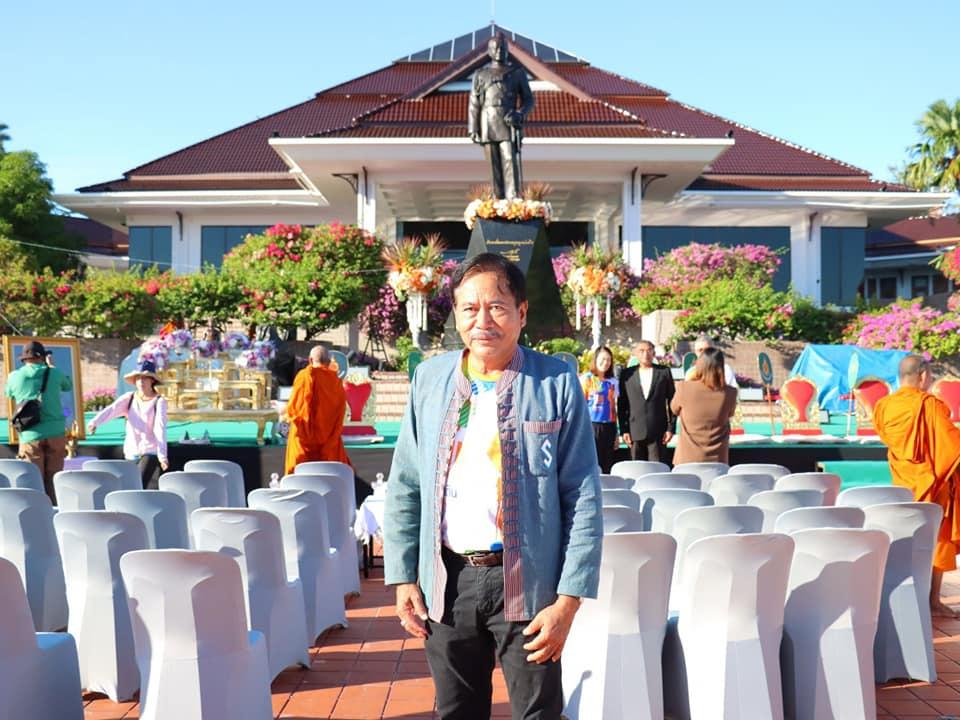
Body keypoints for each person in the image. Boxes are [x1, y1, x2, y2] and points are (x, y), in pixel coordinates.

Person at [384, 253, 602, 720]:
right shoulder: (429, 381)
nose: (482, 321)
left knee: (538, 713)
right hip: (448, 581)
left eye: (497, 307)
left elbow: (582, 495)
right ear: (455, 314)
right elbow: (406, 483)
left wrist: (568, 601)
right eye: (469, 308)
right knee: (456, 711)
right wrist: (403, 576)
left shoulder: (555, 382)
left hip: (529, 583)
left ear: (521, 312)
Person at [873, 354, 960, 617]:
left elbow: (888, 437)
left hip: (902, 482)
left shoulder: (883, 406)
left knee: (908, 539)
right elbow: (952, 446)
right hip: (930, 482)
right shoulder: (929, 405)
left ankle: (906, 596)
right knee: (937, 538)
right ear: (923, 375)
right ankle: (932, 600)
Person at [468, 33, 535, 200]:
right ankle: (496, 200)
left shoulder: (517, 73)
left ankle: (513, 200)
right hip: (487, 121)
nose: (499, 51)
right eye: (496, 48)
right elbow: (474, 103)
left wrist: (520, 113)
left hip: (508, 121)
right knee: (493, 165)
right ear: (489, 51)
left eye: (503, 48)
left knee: (509, 160)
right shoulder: (480, 74)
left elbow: (529, 99)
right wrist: (473, 128)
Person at [4, 340, 72, 502]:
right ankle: (54, 508)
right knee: (54, 478)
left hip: (30, 433)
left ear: (24, 359)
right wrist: (51, 366)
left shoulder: (14, 376)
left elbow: (9, 393)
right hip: (55, 432)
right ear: (43, 357)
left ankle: (37, 509)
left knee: (33, 479)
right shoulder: (54, 373)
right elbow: (67, 386)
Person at [87, 359, 169, 488]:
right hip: (132, 451)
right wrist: (95, 422)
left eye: (145, 378)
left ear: (152, 380)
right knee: (130, 486)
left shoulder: (159, 401)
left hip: (150, 451)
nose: (141, 382)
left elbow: (160, 427)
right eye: (138, 378)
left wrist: (162, 455)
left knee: (139, 483)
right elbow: (111, 410)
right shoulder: (129, 398)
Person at [283, 345, 350, 475]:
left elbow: (294, 410)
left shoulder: (303, 377)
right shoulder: (336, 382)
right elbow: (340, 412)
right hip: (329, 442)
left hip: (303, 442)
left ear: (310, 360)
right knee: (330, 477)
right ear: (329, 362)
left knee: (298, 478)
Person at [670, 348, 739, 465]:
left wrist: (690, 379)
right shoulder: (730, 392)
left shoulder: (684, 388)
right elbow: (730, 414)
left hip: (687, 459)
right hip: (718, 460)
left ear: (699, 365)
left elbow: (674, 409)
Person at [618, 339, 676, 463]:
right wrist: (624, 430)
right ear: (635, 353)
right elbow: (622, 404)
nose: (646, 354)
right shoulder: (627, 374)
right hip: (634, 432)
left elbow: (672, 401)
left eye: (649, 350)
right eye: (642, 351)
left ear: (654, 353)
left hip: (658, 432)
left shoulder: (664, 372)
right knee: (636, 469)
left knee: (657, 469)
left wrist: (671, 428)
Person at [579, 346, 619, 473]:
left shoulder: (613, 381)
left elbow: (613, 407)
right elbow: (580, 404)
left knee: (607, 462)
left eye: (608, 360)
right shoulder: (586, 379)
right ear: (595, 360)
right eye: (602, 359)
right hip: (591, 425)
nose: (606, 363)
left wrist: (616, 432)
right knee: (592, 462)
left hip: (609, 426)